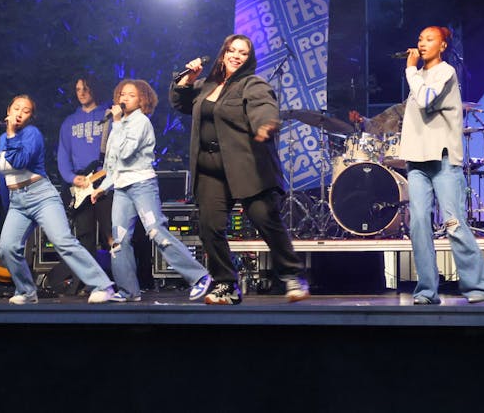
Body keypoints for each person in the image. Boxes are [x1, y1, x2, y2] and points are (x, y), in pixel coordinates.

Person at [170, 34, 309, 305]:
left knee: (264, 218)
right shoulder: (206, 86)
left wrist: (265, 125)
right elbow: (181, 103)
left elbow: (264, 106)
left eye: (242, 53)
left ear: (249, 59)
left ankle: (292, 275)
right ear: (223, 54)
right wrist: (186, 79)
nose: (236, 55)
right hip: (210, 169)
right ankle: (226, 284)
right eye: (231, 50)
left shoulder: (252, 84)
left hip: (245, 166)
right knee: (209, 227)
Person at [398, 26, 484, 304]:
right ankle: (427, 290)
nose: (422, 43)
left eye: (429, 39)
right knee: (418, 225)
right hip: (416, 160)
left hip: (442, 160)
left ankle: (478, 286)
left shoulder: (445, 72)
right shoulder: (419, 77)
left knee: (453, 223)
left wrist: (410, 70)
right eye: (419, 39)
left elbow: (427, 100)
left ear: (442, 46)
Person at [96, 79, 212, 302]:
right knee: (119, 240)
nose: (124, 98)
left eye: (131, 95)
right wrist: (102, 188)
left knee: (155, 231)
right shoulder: (118, 125)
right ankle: (128, 291)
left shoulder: (140, 122)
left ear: (142, 100)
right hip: (121, 188)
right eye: (122, 94)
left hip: (142, 184)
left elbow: (127, 153)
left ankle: (199, 277)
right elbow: (113, 162)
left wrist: (118, 123)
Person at [0, 94, 115, 304]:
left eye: (26, 111)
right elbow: (3, 175)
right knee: (7, 247)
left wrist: (11, 133)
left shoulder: (32, 134)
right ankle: (26, 291)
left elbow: (20, 161)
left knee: (62, 241)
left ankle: (102, 286)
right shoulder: (3, 139)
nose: (20, 113)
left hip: (41, 196)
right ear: (8, 111)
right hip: (17, 200)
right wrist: (8, 206)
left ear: (31, 117)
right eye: (16, 108)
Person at [56, 77, 113, 259]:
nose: (81, 92)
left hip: (104, 182)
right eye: (78, 89)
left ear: (94, 89)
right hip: (80, 185)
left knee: (111, 231)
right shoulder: (69, 122)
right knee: (84, 234)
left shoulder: (108, 116)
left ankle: (121, 279)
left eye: (85, 88)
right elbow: (63, 155)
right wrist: (72, 178)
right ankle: (88, 282)